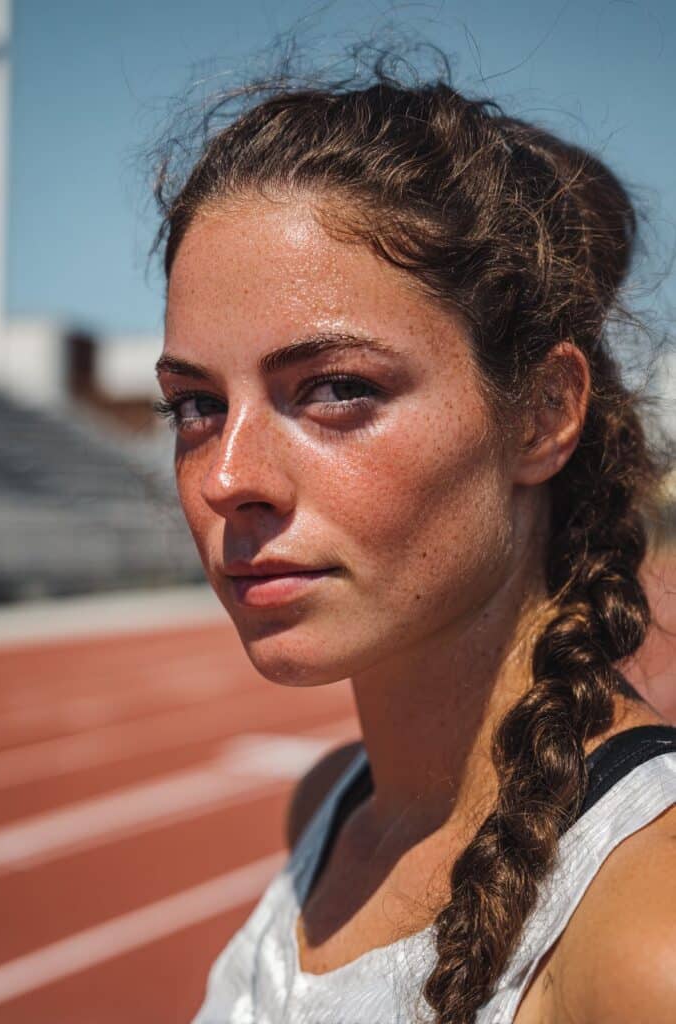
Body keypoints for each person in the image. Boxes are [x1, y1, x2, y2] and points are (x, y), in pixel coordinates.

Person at [152, 51, 676, 1024]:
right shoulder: (329, 805)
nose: (226, 479)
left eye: (337, 389)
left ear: (541, 414)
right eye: (192, 405)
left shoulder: (646, 939)